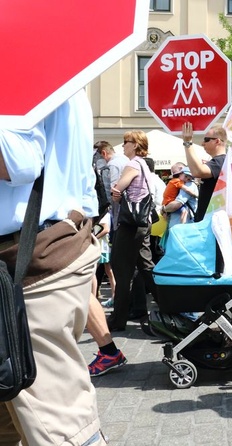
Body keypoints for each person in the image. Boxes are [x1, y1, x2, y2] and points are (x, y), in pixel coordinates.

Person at [0, 89, 106, 444]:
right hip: (44, 255)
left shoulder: (14, 64)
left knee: (59, 428)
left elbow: (19, 160)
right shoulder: (64, 75)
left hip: (27, 267)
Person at [106, 130, 157, 332]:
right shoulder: (144, 164)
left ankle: (118, 319)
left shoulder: (133, 164)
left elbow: (118, 188)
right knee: (145, 266)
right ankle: (170, 306)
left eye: (126, 142)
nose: (123, 145)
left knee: (122, 270)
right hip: (143, 223)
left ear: (135, 145)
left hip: (130, 223)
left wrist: (116, 193)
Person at [180, 123, 227, 222]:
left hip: (212, 223)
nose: (202, 143)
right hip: (213, 221)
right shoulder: (224, 161)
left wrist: (187, 143)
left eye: (206, 140)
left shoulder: (220, 161)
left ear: (217, 141)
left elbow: (197, 171)